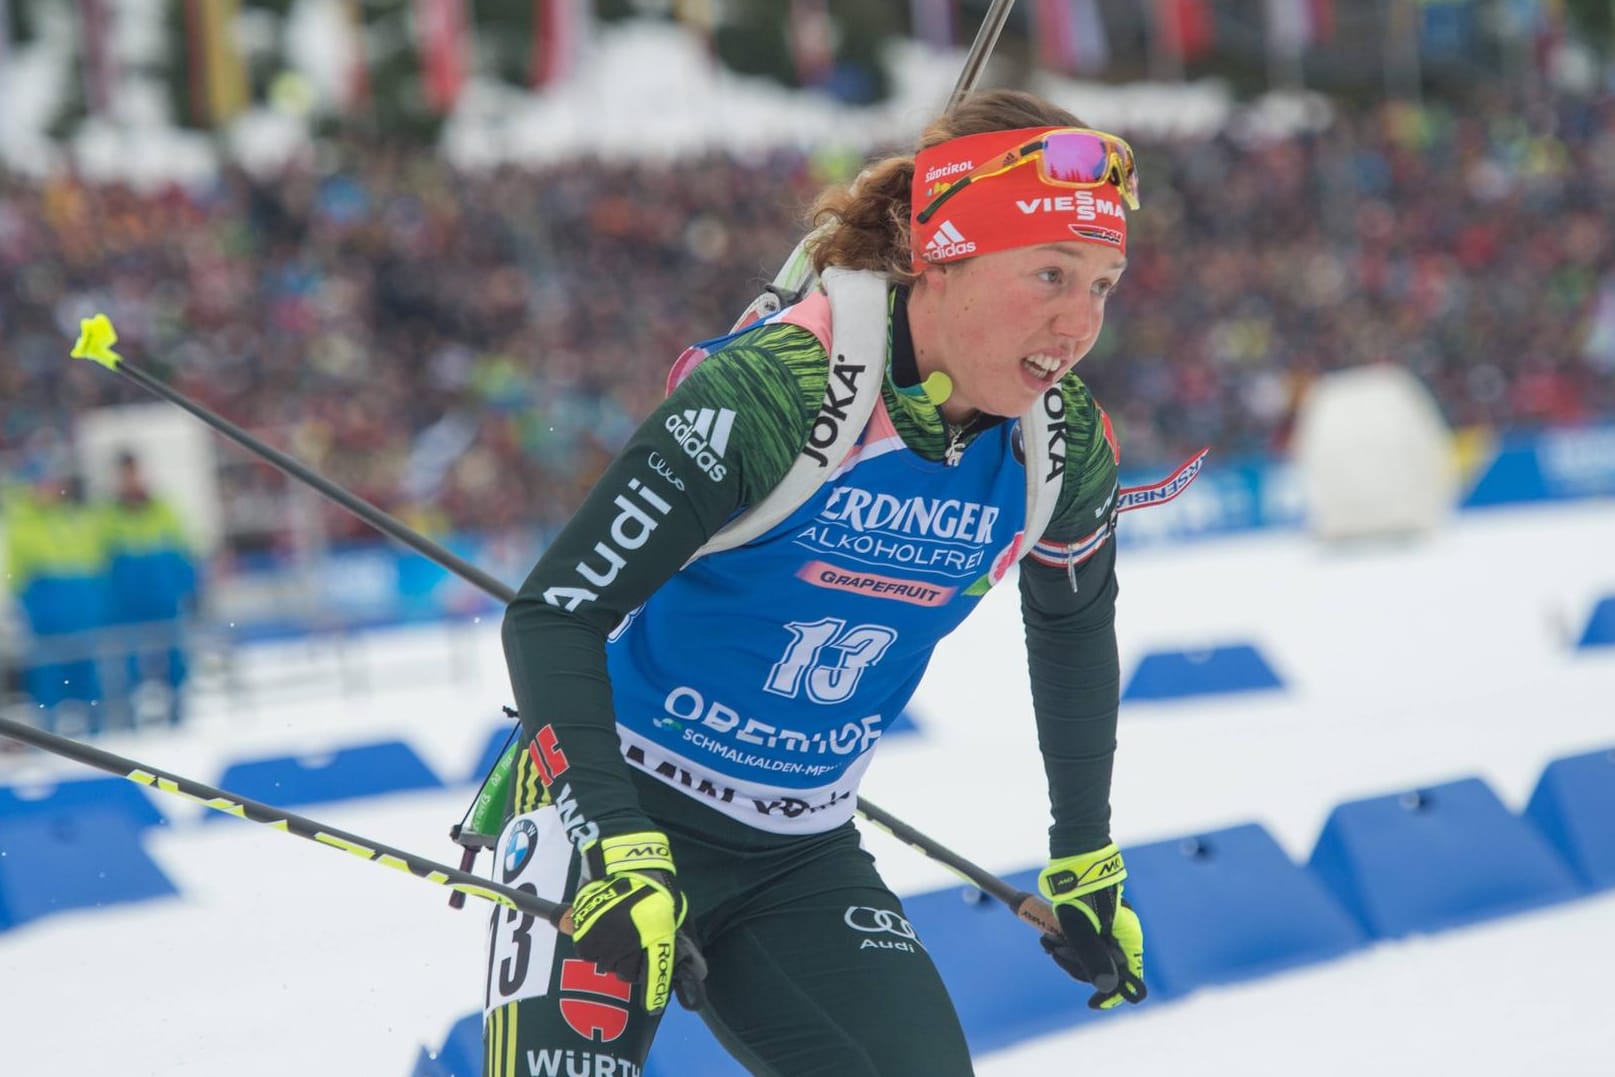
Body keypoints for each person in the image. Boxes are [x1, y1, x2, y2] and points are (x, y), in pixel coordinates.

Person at [486, 89, 1155, 1076]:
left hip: (797, 851)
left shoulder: (1060, 444)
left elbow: (1070, 630)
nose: (1075, 322)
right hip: (605, 812)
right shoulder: (778, 392)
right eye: (1049, 274)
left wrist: (1086, 857)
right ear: (941, 257)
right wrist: (618, 845)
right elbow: (553, 618)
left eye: (1101, 284)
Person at [100, 449, 199, 727]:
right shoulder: (108, 514)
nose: (130, 479)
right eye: (124, 474)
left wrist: (189, 588)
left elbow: (182, 551)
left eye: (133, 472)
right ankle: (132, 718)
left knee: (175, 657)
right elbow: (102, 560)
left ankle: (179, 713)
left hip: (163, 595)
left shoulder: (162, 508)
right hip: (128, 600)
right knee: (130, 660)